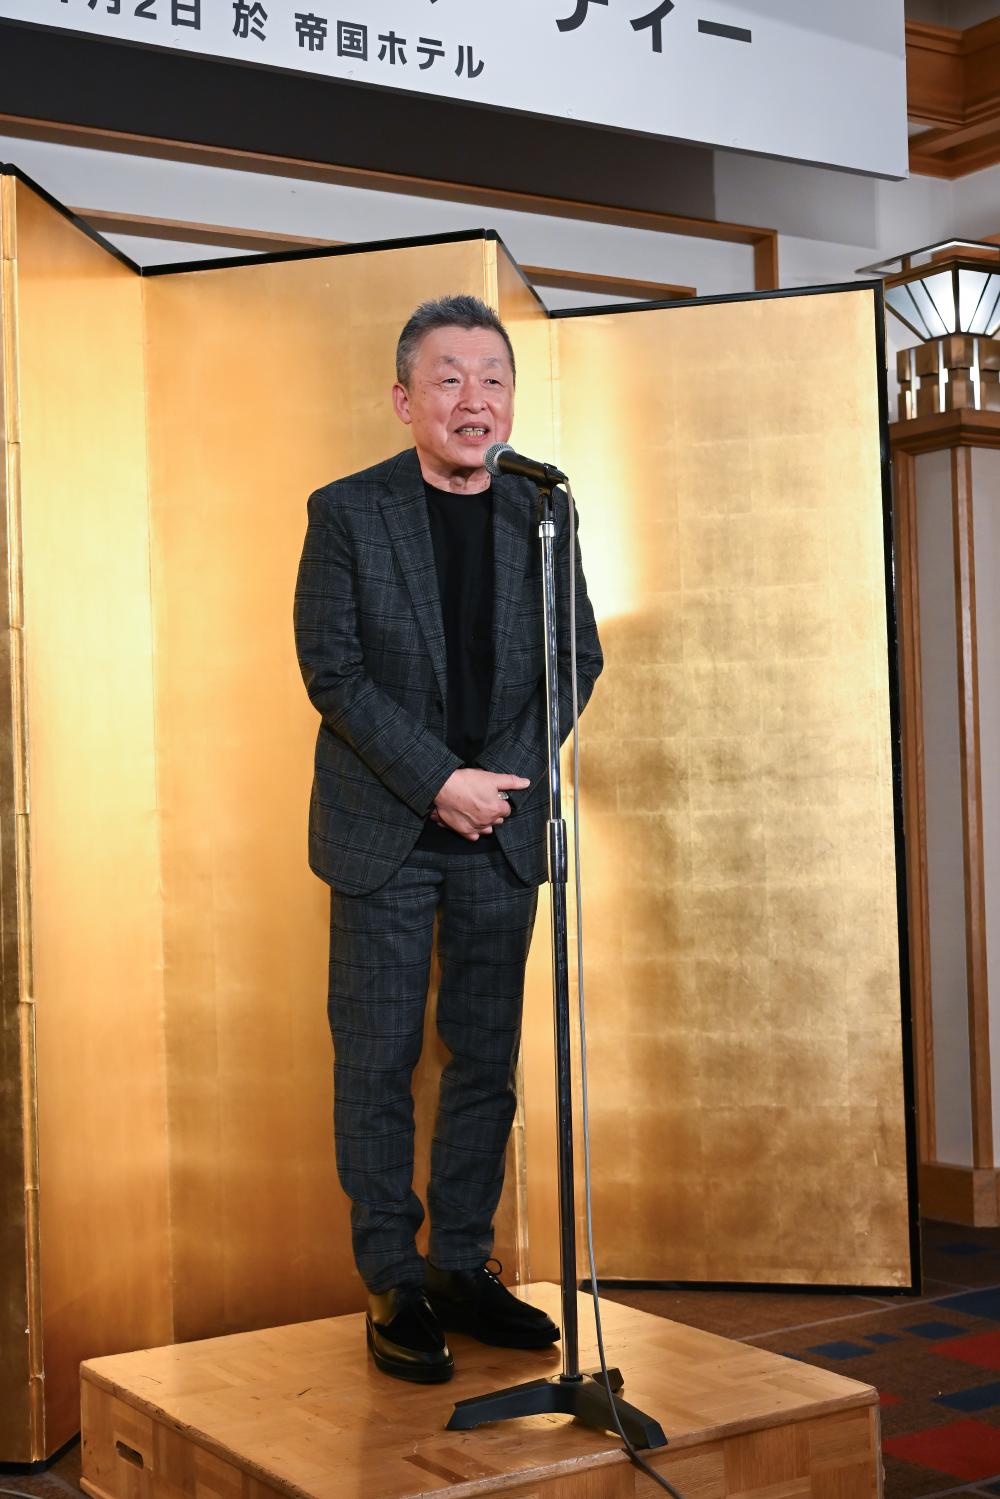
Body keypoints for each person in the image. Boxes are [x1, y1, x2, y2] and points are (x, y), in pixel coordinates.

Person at [293, 294, 603, 1383]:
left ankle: (462, 1263)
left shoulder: (543, 508)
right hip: (384, 829)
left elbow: (577, 656)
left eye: (494, 379)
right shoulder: (347, 511)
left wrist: (495, 784)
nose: (476, 400)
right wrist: (440, 782)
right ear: (404, 399)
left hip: (500, 830)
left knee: (484, 1059)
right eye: (450, 378)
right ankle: (392, 1277)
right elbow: (333, 670)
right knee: (377, 1060)